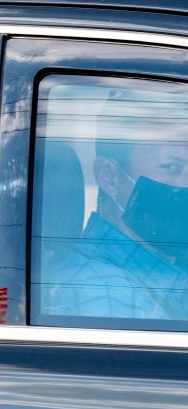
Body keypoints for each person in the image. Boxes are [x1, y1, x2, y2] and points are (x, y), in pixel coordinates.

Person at [42, 93, 188, 321]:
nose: (185, 183)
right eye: (170, 167)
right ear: (109, 177)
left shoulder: (167, 266)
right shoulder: (103, 288)